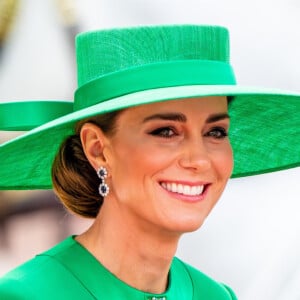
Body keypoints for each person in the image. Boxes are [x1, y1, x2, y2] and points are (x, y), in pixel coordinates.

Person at [0, 24, 299, 299]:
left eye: (215, 131)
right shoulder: (26, 294)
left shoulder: (217, 296)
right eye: (166, 131)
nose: (199, 159)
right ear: (98, 149)